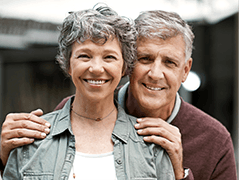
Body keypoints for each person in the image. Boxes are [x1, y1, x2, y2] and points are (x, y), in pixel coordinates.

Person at [1, 8, 237, 180]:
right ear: (130, 64)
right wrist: (4, 155)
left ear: (185, 70)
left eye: (169, 62)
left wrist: (179, 173)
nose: (155, 73)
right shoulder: (75, 110)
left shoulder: (215, 140)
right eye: (145, 59)